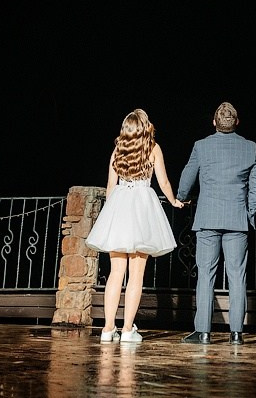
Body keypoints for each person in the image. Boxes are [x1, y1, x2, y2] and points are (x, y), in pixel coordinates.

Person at [86, 108, 184, 344]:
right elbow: (164, 181)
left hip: (120, 206)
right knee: (135, 275)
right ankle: (128, 329)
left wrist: (112, 215)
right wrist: (173, 201)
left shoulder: (118, 149)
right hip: (141, 209)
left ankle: (108, 329)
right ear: (143, 127)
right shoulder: (153, 148)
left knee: (114, 273)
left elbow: (110, 186)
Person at [176, 101, 256, 345]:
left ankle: (203, 332)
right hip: (237, 219)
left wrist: (181, 197)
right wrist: (249, 213)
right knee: (237, 277)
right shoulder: (250, 148)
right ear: (236, 122)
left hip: (208, 218)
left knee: (205, 275)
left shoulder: (202, 146)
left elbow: (187, 176)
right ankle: (236, 334)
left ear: (214, 122)